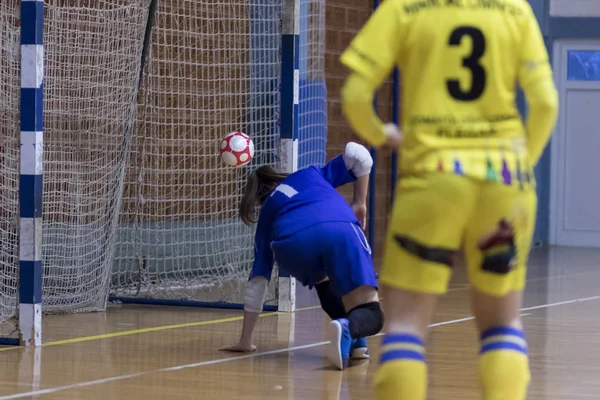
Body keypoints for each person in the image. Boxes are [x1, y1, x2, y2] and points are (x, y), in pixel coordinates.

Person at [339, 0, 558, 399]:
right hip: (504, 180)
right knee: (503, 325)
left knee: (405, 325)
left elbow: (355, 93)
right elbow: (546, 104)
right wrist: (518, 166)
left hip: (432, 176)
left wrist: (383, 133)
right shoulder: (515, 9)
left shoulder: (404, 8)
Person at [219, 142, 384, 370]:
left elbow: (258, 280)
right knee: (372, 313)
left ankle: (358, 345)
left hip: (292, 245)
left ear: (258, 198)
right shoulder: (311, 174)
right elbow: (360, 155)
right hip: (340, 229)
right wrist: (359, 203)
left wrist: (245, 341)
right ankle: (349, 328)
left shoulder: (268, 210)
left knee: (323, 280)